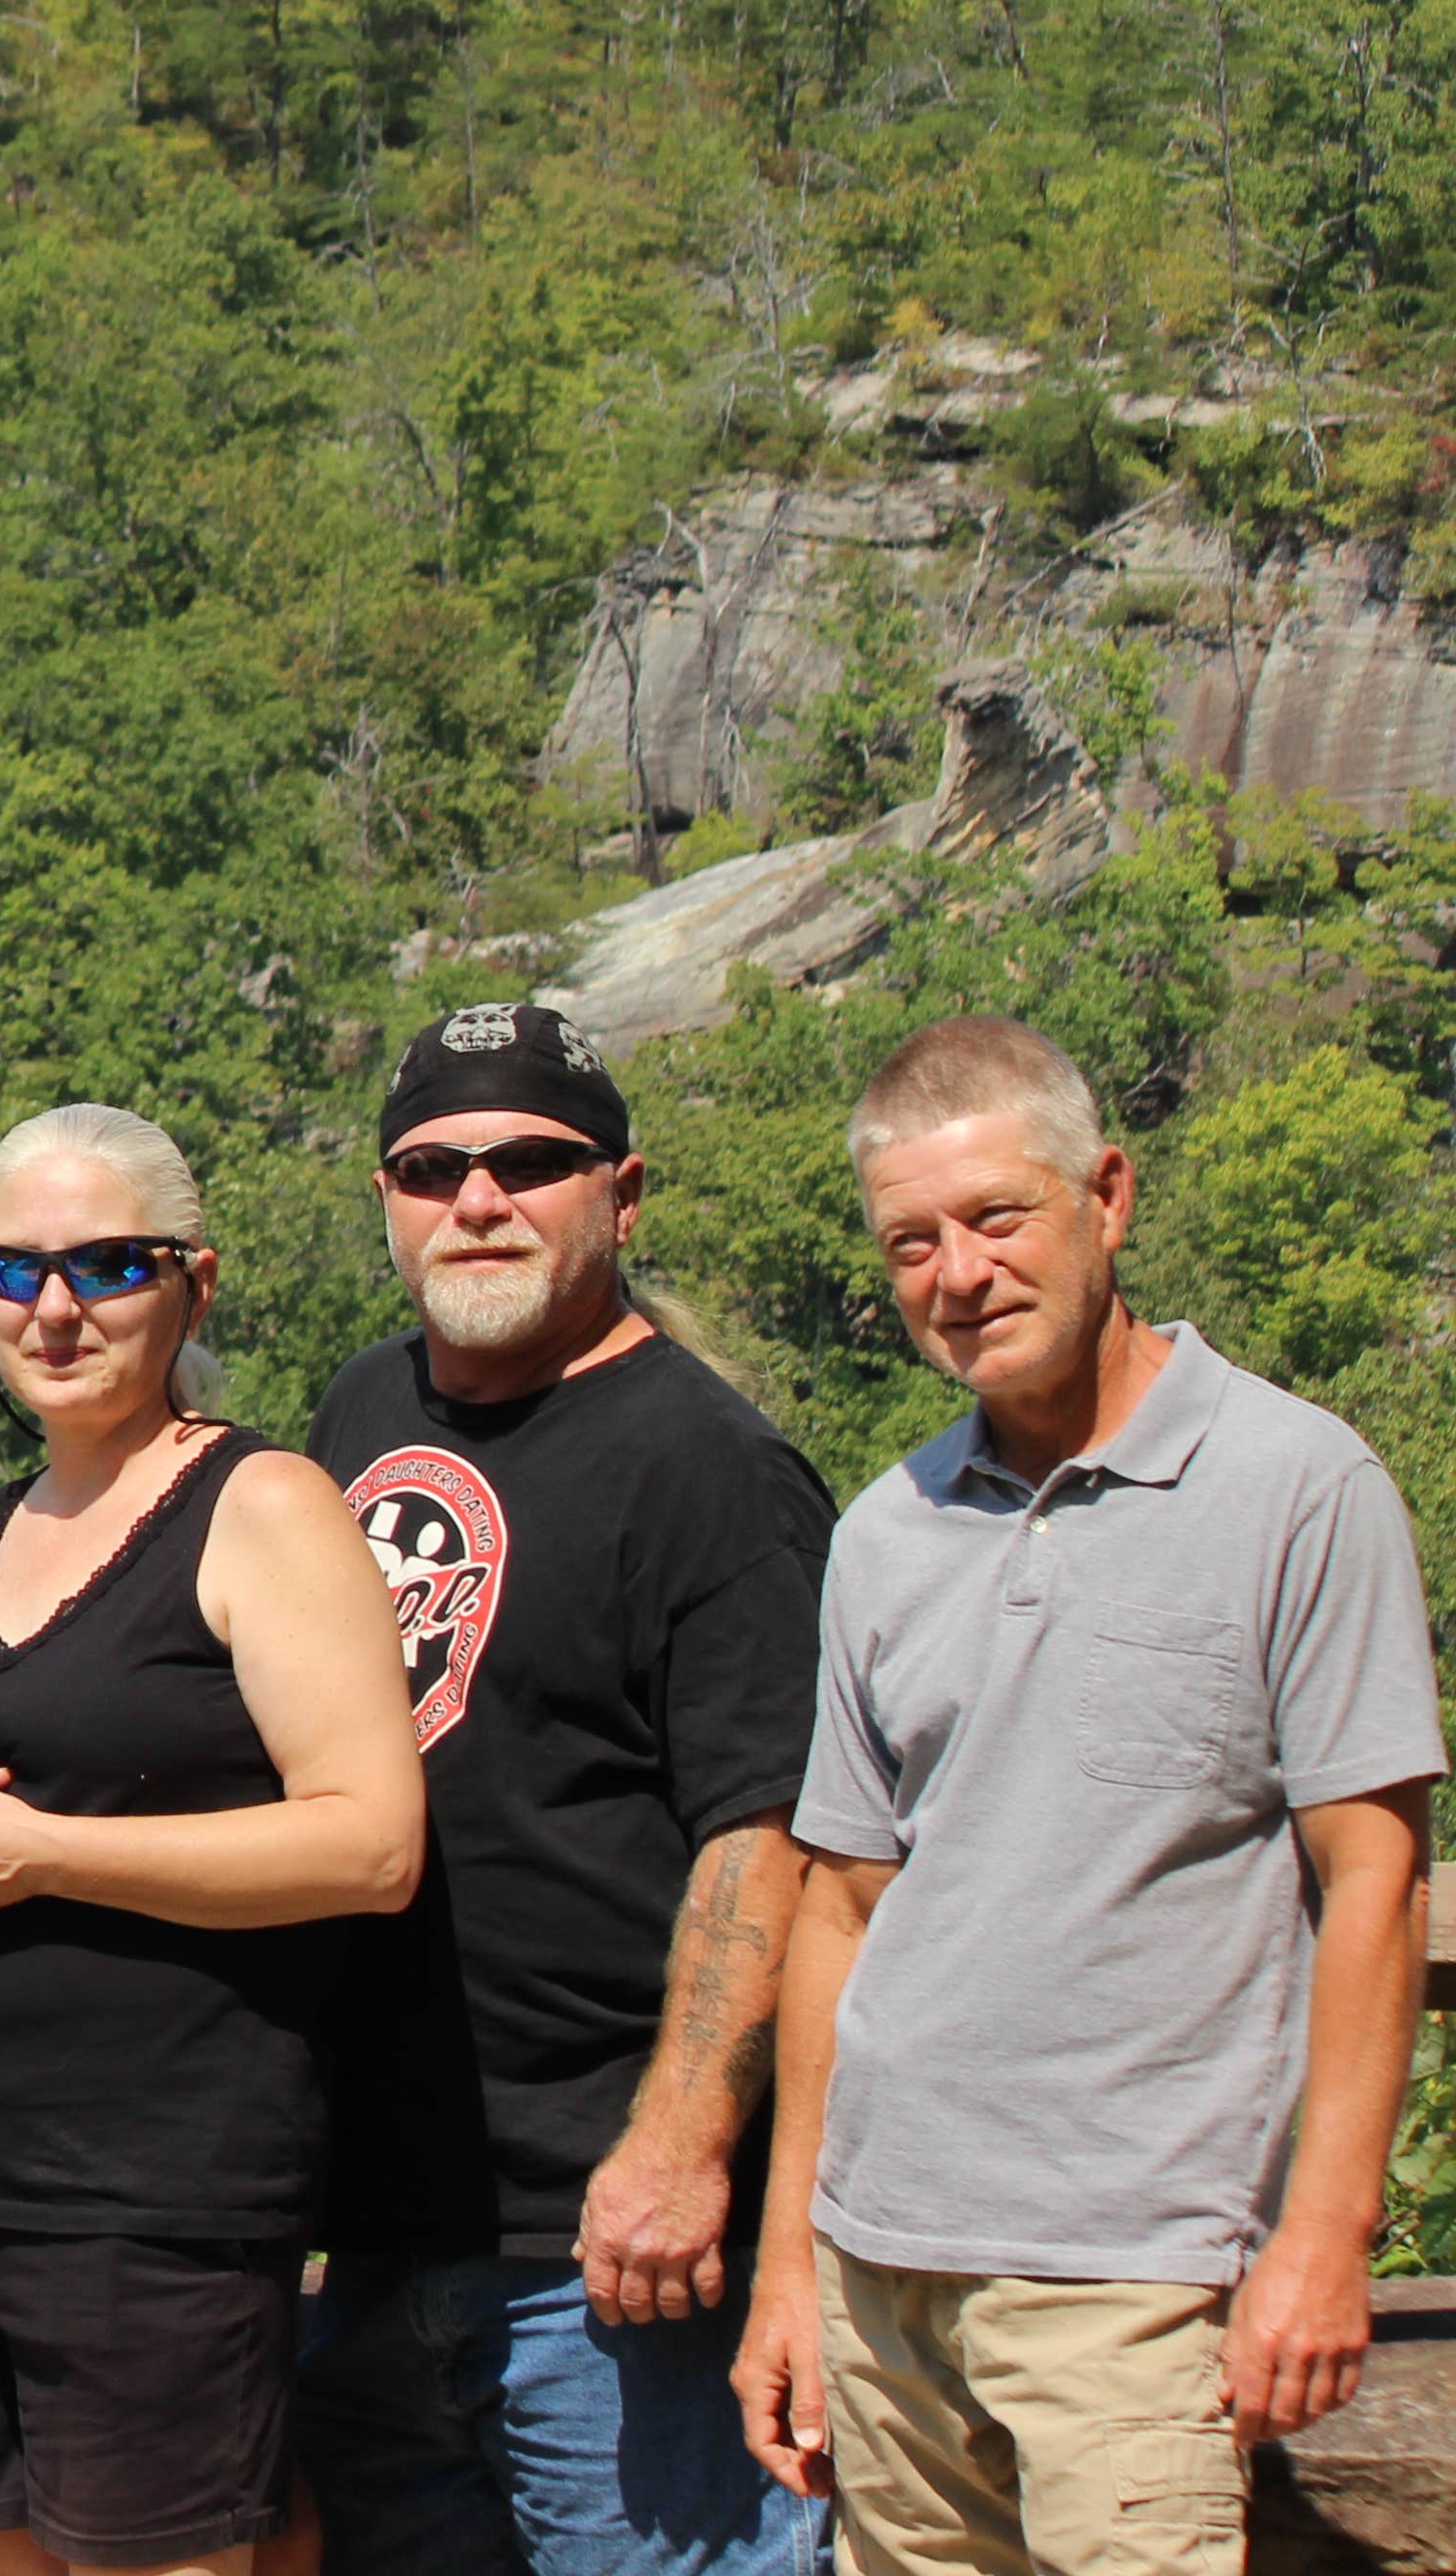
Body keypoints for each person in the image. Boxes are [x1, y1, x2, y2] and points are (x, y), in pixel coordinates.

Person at [732, 1017, 1442, 2576]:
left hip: (1129, 2274)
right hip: (881, 2269)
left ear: (1103, 1196)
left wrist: (1319, 2242)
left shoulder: (1290, 1487)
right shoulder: (885, 1530)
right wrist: (788, 2261)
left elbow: (1371, 1878)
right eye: (909, 1242)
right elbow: (838, 1910)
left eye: (996, 1217)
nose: (955, 1273)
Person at [0, 1104, 426, 2576]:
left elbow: (371, 1846)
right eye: (13, 1269)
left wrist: (41, 1858)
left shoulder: (262, 1508)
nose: (54, 1308)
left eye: (108, 1265)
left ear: (195, 1284)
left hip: (145, 2208)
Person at [290, 1004, 833, 2576]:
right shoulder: (356, 1414)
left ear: (619, 1190)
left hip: (614, 2259)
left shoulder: (709, 1470)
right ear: (384, 1199)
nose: (475, 1198)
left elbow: (768, 1833)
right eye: (429, 1165)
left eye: (529, 1160)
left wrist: (678, 2143)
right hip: (383, 2238)